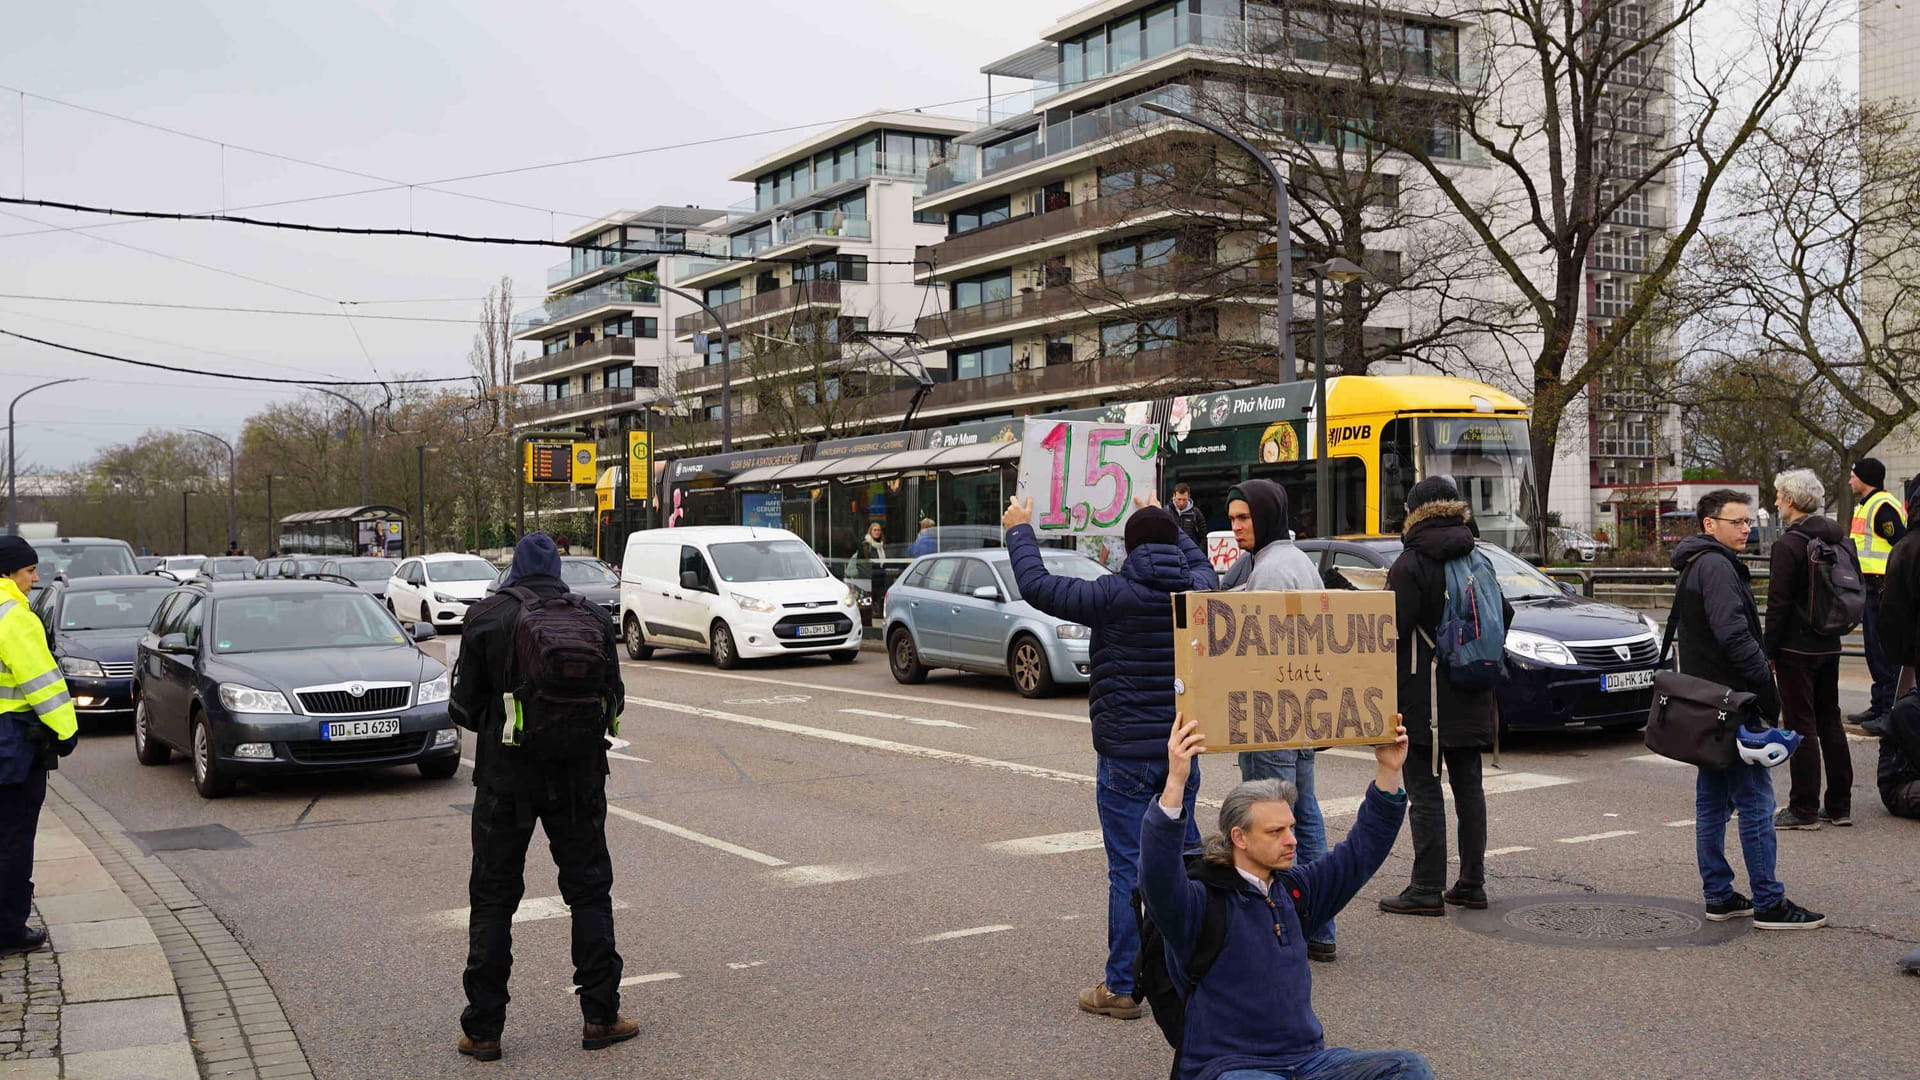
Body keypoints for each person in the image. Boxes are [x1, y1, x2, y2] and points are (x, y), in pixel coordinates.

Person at [1002, 494, 1217, 1020]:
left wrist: (1020, 529)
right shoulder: (1197, 592)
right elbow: (1203, 563)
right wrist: (1168, 519)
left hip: (1125, 755)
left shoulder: (1111, 594)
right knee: (1186, 863)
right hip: (1180, 751)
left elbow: (1037, 586)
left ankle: (1122, 986)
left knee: (1129, 869)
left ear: (1130, 547)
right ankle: (1196, 974)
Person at [1141, 714, 1431, 1080]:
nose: (1292, 840)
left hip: (1308, 1062)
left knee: (1408, 1069)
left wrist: (1389, 771)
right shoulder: (1201, 902)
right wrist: (1176, 780)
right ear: (1239, 838)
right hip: (1231, 1067)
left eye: (1291, 828)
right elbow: (1157, 876)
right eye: (1276, 831)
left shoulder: (1295, 891)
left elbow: (1359, 854)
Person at [449, 533, 635, 1060]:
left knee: (493, 898)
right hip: (578, 776)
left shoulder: (487, 617)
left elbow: (463, 709)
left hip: (506, 779)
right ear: (559, 571)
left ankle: (483, 1029)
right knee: (589, 892)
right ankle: (601, 1016)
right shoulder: (593, 619)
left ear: (512, 570)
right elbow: (613, 698)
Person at [1671, 489, 1826, 929]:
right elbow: (1734, 635)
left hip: (1709, 704)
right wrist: (1766, 685)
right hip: (1734, 701)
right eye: (1736, 522)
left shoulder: (1696, 563)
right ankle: (1769, 902)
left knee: (1712, 800)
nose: (1746, 529)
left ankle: (1719, 895)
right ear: (1709, 524)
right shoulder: (1717, 566)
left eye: (1747, 521)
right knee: (1757, 800)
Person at [1214, 480, 1338, 962]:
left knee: (1270, 824)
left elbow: (1249, 648)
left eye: (1244, 518)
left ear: (1263, 517)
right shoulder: (1296, 561)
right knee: (1305, 817)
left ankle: (1282, 924)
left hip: (1270, 713)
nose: (1237, 527)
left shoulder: (1270, 572)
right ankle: (1321, 928)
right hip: (1301, 711)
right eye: (1233, 519)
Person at [1379, 477, 1510, 917]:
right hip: (1473, 688)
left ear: (1414, 510)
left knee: (1424, 788)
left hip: (1425, 693)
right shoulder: (1478, 555)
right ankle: (1472, 882)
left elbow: (1391, 627)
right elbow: (1503, 614)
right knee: (1469, 787)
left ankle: (1426, 887)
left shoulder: (1412, 561)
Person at [1763, 469, 1853, 830]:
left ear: (1792, 500)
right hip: (1829, 641)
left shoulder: (1788, 545)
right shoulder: (1838, 539)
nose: (1775, 502)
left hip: (1796, 647)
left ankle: (1803, 808)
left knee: (1801, 724)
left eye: (1779, 495)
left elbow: (1779, 603)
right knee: (1830, 719)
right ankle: (1840, 805)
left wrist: (1769, 649)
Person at [0, 537, 77, 957]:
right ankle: (9, 928)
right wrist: (66, 731)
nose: (35, 577)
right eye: (30, 570)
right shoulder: (14, 616)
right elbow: (43, 685)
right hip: (12, 744)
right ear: (9, 573)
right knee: (13, 838)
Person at [1848, 458, 1907, 733]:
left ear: (1865, 478)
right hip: (1871, 585)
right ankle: (1879, 704)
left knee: (1883, 652)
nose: (1850, 481)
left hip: (1882, 586)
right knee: (1873, 650)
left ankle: (1888, 710)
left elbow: (1900, 541)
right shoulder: (1868, 504)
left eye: (1853, 476)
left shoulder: (1882, 507)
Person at [1170, 483, 1207, 549]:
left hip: (1189, 553)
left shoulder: (1196, 513)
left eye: (1184, 499)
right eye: (1179, 499)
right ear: (1174, 496)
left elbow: (1204, 537)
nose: (1181, 503)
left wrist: (1198, 553)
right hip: (1172, 553)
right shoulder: (1166, 512)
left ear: (1189, 496)